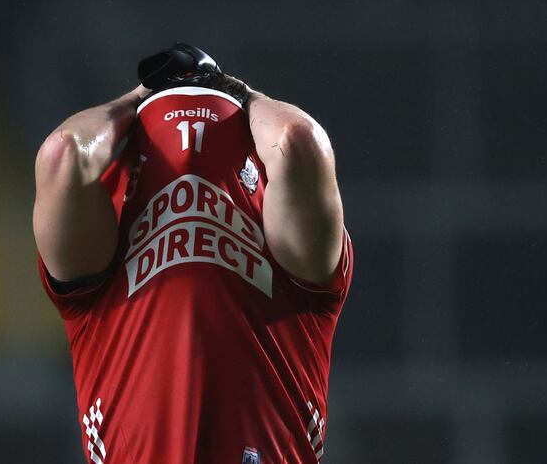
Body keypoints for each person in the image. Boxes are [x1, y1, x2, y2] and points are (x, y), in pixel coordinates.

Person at [33, 44, 353, 464]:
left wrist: (223, 94)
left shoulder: (290, 250)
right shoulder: (108, 239)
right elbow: (67, 154)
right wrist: (150, 98)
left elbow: (297, 142)